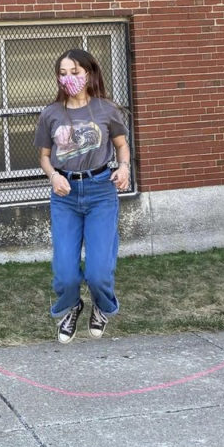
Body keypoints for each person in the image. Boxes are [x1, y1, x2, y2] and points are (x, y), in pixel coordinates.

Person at [35, 49, 131, 343]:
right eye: (63, 73)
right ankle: (71, 306)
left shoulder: (106, 110)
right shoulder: (50, 114)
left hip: (101, 191)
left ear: (89, 74)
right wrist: (53, 176)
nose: (68, 79)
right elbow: (44, 156)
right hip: (65, 196)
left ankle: (102, 307)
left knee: (98, 272)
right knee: (65, 274)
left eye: (74, 72)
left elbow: (122, 146)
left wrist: (124, 168)